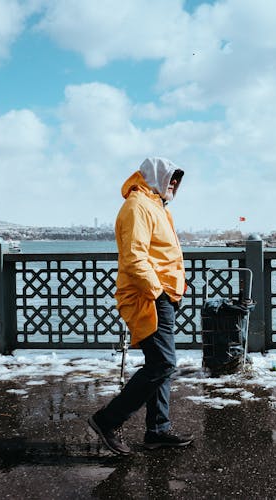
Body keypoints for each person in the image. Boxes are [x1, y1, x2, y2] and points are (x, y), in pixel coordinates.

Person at [88, 157, 193, 455]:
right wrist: (158, 291)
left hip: (162, 296)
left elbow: (160, 255)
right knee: (163, 364)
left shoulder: (155, 205)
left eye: (177, 180)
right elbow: (135, 258)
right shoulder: (138, 206)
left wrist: (175, 287)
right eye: (170, 178)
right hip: (148, 297)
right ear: (155, 176)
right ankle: (107, 420)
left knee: (160, 365)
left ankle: (158, 429)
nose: (173, 184)